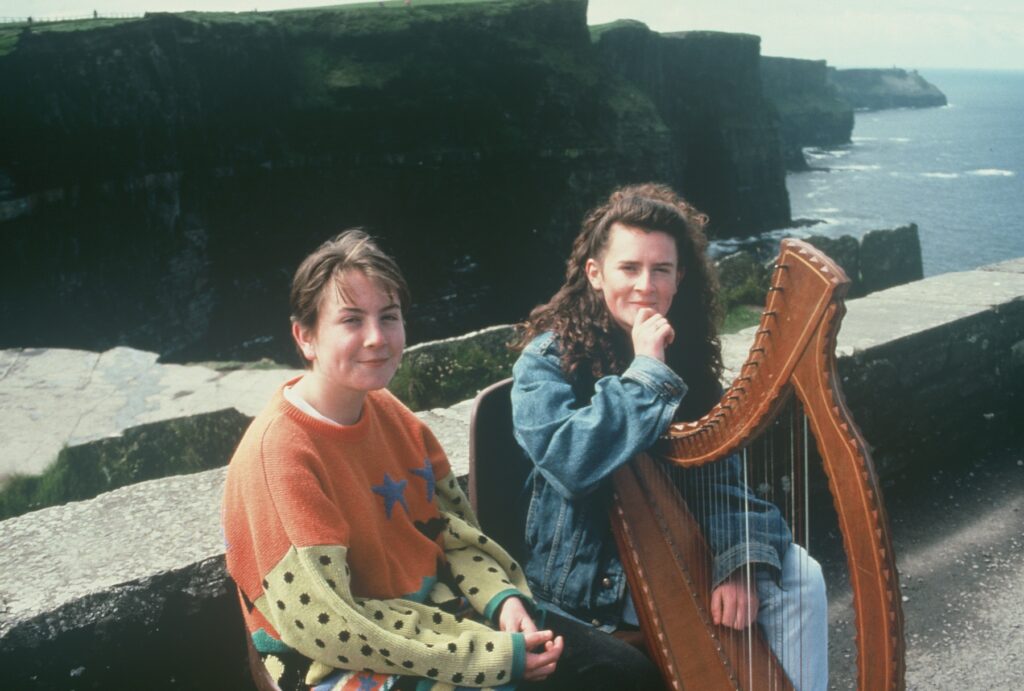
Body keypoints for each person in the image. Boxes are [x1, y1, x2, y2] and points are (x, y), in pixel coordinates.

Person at [510, 183, 829, 691]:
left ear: (680, 278)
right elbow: (570, 461)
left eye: (661, 270)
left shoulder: (686, 361)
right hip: (587, 579)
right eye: (629, 268)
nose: (645, 285)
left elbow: (722, 478)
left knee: (801, 577)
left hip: (677, 547)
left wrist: (740, 559)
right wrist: (644, 372)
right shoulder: (546, 360)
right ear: (595, 274)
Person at [222, 229, 564, 691]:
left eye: (389, 316)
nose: (377, 338)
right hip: (328, 656)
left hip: (425, 615)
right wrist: (486, 656)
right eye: (351, 320)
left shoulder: (391, 413)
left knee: (612, 670)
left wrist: (502, 601)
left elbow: (452, 533)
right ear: (305, 337)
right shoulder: (280, 455)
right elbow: (327, 625)